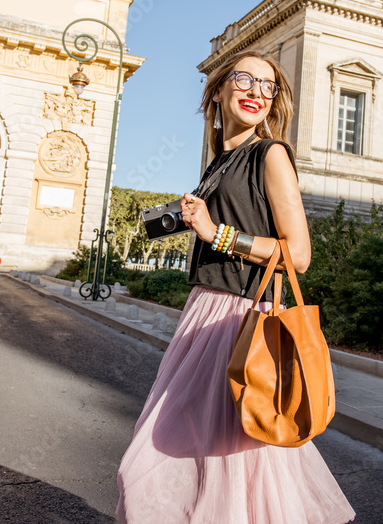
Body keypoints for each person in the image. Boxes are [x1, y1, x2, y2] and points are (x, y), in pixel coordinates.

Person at [115, 51, 355, 523]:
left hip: (237, 320)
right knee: (230, 468)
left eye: (268, 86)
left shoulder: (271, 154)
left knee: (158, 462)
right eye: (244, 79)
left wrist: (216, 233)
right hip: (203, 312)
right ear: (218, 91)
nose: (255, 91)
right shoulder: (218, 162)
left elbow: (298, 255)